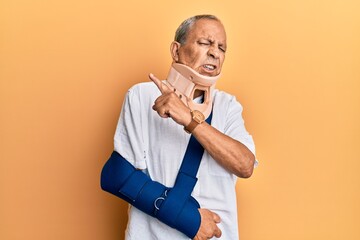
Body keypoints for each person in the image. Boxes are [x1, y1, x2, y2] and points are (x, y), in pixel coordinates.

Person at [106, 14, 256, 240]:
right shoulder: (142, 95)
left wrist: (190, 119)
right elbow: (118, 176)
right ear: (176, 51)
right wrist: (190, 219)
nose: (215, 53)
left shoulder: (228, 106)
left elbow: (245, 165)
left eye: (222, 48)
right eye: (205, 43)